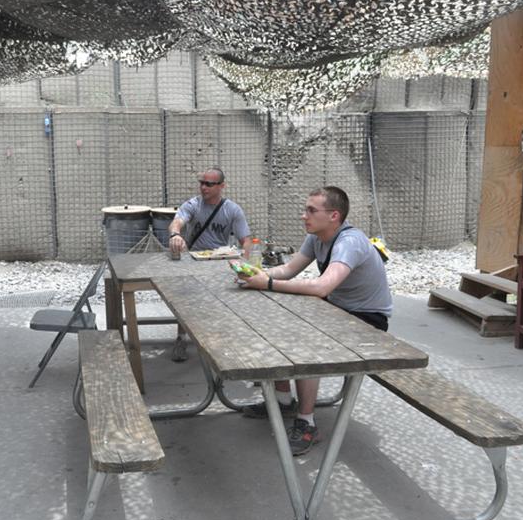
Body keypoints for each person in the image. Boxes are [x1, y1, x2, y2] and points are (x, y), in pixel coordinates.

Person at [237, 186, 392, 456]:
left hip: (368, 320)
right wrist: (253, 274)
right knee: (275, 322)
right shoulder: (317, 237)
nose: (303, 216)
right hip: (338, 309)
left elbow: (322, 287)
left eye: (311, 210)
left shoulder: (349, 242)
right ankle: (284, 399)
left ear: (334, 216)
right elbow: (288, 269)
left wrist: (268, 283)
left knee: (306, 341)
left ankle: (306, 422)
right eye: (305, 209)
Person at [167, 168, 253, 361]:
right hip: (194, 258)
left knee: (225, 302)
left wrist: (244, 264)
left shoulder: (232, 209)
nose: (203, 187)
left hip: (219, 261)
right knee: (184, 299)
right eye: (201, 183)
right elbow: (177, 221)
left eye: (209, 184)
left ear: (221, 186)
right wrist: (175, 234)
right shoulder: (193, 204)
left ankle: (225, 342)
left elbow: (246, 240)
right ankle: (181, 338)